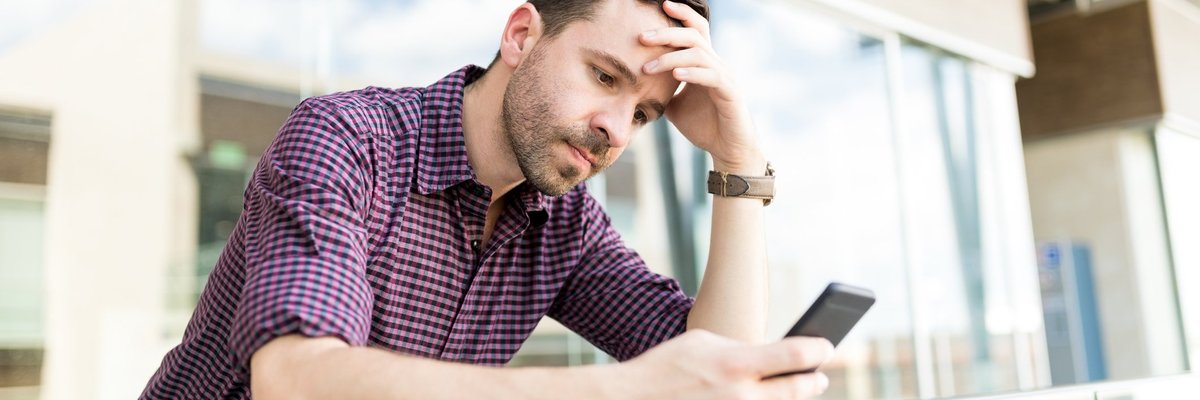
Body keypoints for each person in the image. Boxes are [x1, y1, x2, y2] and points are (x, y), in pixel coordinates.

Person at [141, 0, 834, 398]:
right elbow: (295, 378)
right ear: (521, 34)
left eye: (645, 115)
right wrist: (626, 392)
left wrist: (737, 166)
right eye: (603, 75)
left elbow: (715, 362)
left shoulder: (564, 223)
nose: (616, 129)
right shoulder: (351, 139)